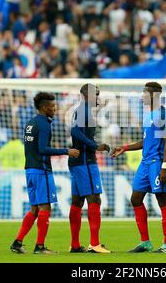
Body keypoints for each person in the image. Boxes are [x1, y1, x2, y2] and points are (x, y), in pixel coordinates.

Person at [10, 92, 80, 254]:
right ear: (44, 108)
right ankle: (40, 247)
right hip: (41, 171)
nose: (55, 109)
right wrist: (66, 151)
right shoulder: (44, 125)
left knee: (35, 209)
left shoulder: (30, 123)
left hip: (30, 170)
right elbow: (42, 149)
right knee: (45, 207)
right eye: (52, 106)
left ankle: (17, 242)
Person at [111, 82, 166, 253]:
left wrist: (164, 166)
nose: (142, 96)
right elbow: (146, 141)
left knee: (162, 200)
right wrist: (124, 147)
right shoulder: (149, 115)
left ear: (154, 95)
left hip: (157, 163)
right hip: (145, 163)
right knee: (136, 199)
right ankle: (145, 242)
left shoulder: (163, 115)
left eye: (145, 93)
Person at [68, 83, 111, 253]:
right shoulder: (84, 110)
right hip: (86, 161)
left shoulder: (82, 110)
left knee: (77, 202)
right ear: (87, 94)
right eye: (96, 94)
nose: (98, 98)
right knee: (94, 199)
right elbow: (75, 132)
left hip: (78, 162)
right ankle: (94, 244)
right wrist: (95, 145)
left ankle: (75, 245)